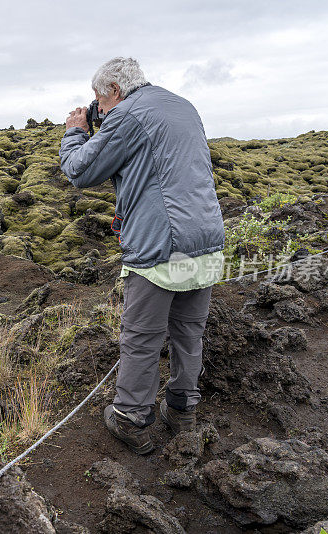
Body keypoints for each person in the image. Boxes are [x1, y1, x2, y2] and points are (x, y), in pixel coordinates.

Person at [59, 57, 225, 455]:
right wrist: (103, 119)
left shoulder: (128, 115)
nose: (100, 106)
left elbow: (81, 171)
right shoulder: (182, 105)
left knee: (142, 337)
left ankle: (132, 418)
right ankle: (182, 411)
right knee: (188, 332)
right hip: (205, 239)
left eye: (101, 98)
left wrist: (75, 132)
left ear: (113, 90)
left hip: (159, 246)